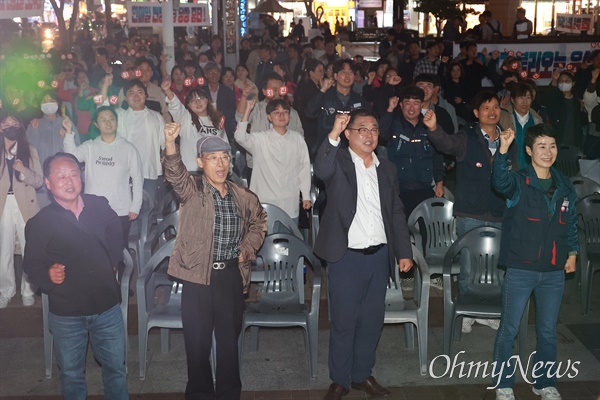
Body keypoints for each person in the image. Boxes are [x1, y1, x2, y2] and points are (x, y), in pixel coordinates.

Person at [162, 124, 267, 399]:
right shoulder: (192, 191)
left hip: (230, 277)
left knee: (229, 344)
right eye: (212, 158)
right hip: (198, 278)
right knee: (196, 345)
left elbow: (259, 222)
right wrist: (170, 143)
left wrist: (247, 248)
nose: (220, 164)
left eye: (224, 157)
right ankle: (199, 394)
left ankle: (229, 394)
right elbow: (174, 174)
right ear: (200, 162)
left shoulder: (242, 195)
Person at [314, 109, 413, 400]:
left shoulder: (387, 169)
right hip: (346, 257)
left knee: (372, 320)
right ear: (348, 134)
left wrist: (403, 252)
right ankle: (340, 380)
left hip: (379, 256)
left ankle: (361, 374)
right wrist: (332, 133)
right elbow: (321, 169)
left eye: (374, 129)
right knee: (344, 321)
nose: (369, 135)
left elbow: (395, 211)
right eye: (361, 129)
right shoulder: (339, 162)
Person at [22, 152, 128, 399]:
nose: (69, 181)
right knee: (71, 374)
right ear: (47, 184)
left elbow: (116, 229)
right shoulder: (41, 222)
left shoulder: (99, 205)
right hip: (67, 314)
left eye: (73, 174)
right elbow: (31, 264)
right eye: (60, 176)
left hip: (107, 307)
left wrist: (114, 261)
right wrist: (47, 274)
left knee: (116, 369)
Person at [491, 123, 578, 400]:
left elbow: (571, 223)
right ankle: (504, 383)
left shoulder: (564, 184)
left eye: (552, 146)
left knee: (548, 330)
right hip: (521, 267)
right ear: (529, 151)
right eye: (541, 146)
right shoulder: (519, 181)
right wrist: (503, 151)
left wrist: (573, 253)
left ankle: (545, 382)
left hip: (553, 270)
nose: (548, 151)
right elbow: (499, 182)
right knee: (510, 328)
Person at [426, 91, 519, 332]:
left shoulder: (508, 140)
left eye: (496, 107)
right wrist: (434, 128)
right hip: (470, 214)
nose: (492, 112)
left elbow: (516, 174)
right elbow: (445, 143)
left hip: (500, 212)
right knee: (468, 265)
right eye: (486, 108)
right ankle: (467, 310)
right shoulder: (467, 136)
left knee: (497, 266)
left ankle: (490, 309)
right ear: (476, 113)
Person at [63, 108, 143, 245]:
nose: (108, 123)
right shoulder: (90, 147)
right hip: (92, 209)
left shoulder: (128, 148)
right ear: (96, 124)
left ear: (117, 122)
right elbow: (71, 156)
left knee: (118, 252)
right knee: (95, 250)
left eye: (111, 119)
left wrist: (135, 206)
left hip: (120, 210)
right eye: (103, 120)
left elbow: (137, 179)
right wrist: (69, 132)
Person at [236, 98, 311, 221]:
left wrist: (306, 196)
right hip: (265, 201)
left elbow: (304, 168)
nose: (281, 116)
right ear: (269, 117)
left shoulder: (297, 139)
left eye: (285, 112)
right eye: (276, 113)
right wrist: (248, 110)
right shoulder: (260, 139)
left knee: (290, 238)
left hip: (290, 200)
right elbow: (240, 137)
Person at [0, 114, 43, 308]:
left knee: (29, 248)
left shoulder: (29, 150)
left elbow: (39, 181)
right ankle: (5, 291)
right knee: (4, 250)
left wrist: (24, 171)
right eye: (6, 123)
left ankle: (28, 290)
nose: (11, 127)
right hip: (3, 205)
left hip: (25, 203)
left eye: (15, 123)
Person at [162, 80, 229, 172]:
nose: (198, 103)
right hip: (191, 171)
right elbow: (176, 105)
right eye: (193, 101)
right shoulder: (185, 118)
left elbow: (225, 144)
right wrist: (167, 90)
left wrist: (228, 168)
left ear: (207, 100)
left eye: (200, 98)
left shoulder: (216, 120)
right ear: (188, 105)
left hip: (214, 171)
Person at [27, 92, 81, 208]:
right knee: (43, 217)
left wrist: (67, 134)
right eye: (44, 101)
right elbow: (29, 153)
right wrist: (35, 131)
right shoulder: (34, 124)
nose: (48, 104)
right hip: (41, 181)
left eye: (51, 100)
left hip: (65, 181)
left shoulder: (67, 123)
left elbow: (77, 153)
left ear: (58, 103)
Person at [304, 59, 371, 149]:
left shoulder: (359, 101)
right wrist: (322, 90)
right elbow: (309, 112)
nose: (347, 76)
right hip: (326, 150)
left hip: (350, 152)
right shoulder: (325, 96)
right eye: (343, 72)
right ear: (335, 76)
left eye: (350, 72)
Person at [498, 83, 543, 167]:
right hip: (509, 169)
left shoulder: (537, 121)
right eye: (520, 97)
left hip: (531, 171)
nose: (525, 102)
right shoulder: (503, 118)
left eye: (528, 98)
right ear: (512, 99)